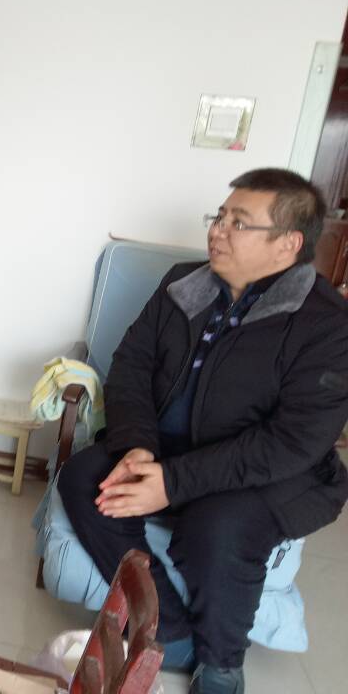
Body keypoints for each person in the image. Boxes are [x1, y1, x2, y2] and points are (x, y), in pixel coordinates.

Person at [57, 169, 348, 694]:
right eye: (220, 216)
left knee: (218, 525)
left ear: (288, 244)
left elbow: (294, 441)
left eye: (239, 223)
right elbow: (131, 367)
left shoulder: (326, 323)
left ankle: (220, 665)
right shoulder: (182, 284)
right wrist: (136, 447)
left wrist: (172, 483)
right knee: (85, 479)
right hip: (167, 449)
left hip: (270, 471)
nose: (218, 230)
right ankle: (170, 628)